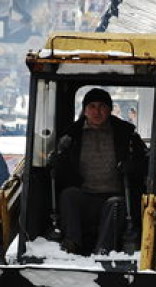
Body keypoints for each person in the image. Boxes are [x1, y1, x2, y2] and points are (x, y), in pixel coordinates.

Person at [53, 88, 148, 255]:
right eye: (92, 106)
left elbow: (143, 160)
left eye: (102, 106)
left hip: (113, 195)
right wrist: (57, 159)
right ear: (85, 110)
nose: (97, 111)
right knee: (68, 195)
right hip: (85, 195)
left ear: (110, 109)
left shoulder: (126, 133)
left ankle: (103, 251)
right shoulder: (72, 135)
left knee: (117, 205)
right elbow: (61, 167)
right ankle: (71, 244)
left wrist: (131, 165)